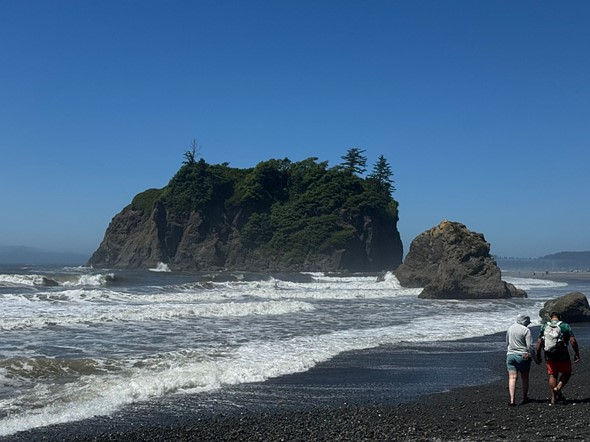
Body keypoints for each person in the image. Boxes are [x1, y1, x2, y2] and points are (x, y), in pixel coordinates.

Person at [535, 311, 581, 405]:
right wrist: (576, 353)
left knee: (553, 375)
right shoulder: (565, 326)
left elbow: (539, 342)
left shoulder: (544, 326)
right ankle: (558, 388)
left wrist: (538, 354)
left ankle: (553, 399)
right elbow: (572, 341)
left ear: (551, 318)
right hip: (563, 354)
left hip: (549, 355)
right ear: (559, 317)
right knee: (567, 373)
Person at [506, 314, 534, 406]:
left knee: (512, 377)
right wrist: (531, 355)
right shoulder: (526, 330)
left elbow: (507, 343)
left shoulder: (510, 328)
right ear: (525, 322)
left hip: (510, 355)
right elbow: (529, 346)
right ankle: (524, 397)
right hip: (522, 356)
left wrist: (510, 351)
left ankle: (512, 400)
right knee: (524, 377)